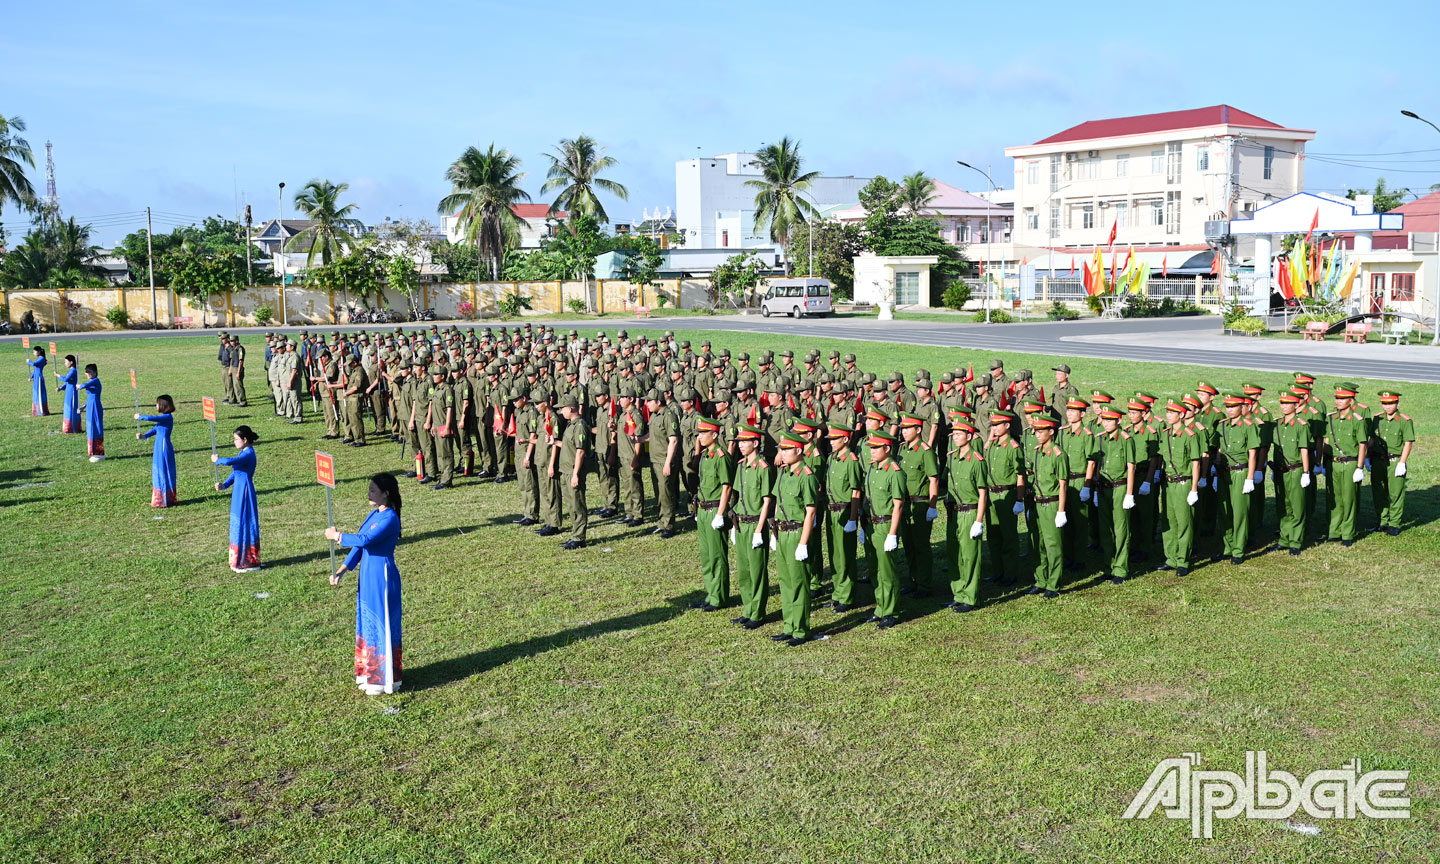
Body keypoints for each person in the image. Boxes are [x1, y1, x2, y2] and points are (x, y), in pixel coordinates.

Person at [326, 473, 403, 696]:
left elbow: (365, 540)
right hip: (367, 574)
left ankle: (382, 679)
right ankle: (369, 672)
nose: (368, 494)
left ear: (386, 493)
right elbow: (359, 548)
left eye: (373, 490)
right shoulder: (373, 514)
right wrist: (342, 570)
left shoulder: (390, 519)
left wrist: (337, 536)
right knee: (367, 620)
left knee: (381, 621)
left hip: (382, 576)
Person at [771, 431, 818, 646]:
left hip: (797, 532)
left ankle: (800, 629)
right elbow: (777, 504)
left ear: (798, 451)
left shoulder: (806, 475)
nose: (782, 453)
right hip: (782, 532)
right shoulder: (784, 473)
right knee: (786, 582)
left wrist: (803, 543)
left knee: (799, 583)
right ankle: (788, 626)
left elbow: (810, 511)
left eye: (786, 449)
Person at [943, 413, 990, 611]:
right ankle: (958, 592)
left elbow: (982, 493)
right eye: (954, 433)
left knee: (970, 556)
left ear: (969, 436)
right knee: (955, 554)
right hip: (954, 512)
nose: (955, 436)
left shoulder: (977, 461)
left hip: (970, 512)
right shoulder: (951, 458)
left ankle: (970, 597)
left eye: (959, 433)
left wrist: (979, 520)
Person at [862, 430, 907, 629]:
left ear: (887, 449)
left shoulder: (895, 471)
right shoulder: (873, 469)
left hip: (886, 524)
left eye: (876, 448)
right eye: (870, 448)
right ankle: (880, 607)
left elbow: (898, 505)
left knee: (887, 571)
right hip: (871, 524)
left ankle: (891, 611)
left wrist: (892, 533)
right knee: (875, 570)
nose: (871, 452)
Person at [730, 423, 773, 629]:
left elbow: (766, 501)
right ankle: (747, 609)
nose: (740, 445)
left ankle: (758, 612)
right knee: (744, 571)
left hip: (756, 523)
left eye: (745, 442)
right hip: (741, 524)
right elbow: (737, 497)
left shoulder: (763, 468)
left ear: (755, 443)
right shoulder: (740, 466)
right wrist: (733, 524)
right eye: (739, 442)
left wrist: (759, 530)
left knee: (757, 571)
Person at [691, 418, 734, 609]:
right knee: (706, 555)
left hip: (715, 509)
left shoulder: (721, 456)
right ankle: (710, 593)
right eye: (699, 433)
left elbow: (727, 487)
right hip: (703, 508)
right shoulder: (706, 455)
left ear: (714, 434)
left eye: (703, 433)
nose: (700, 436)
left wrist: (720, 513)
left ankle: (719, 597)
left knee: (717, 556)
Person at [1156, 399, 1202, 576]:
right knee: (1169, 521)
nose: (1168, 415)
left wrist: (1194, 489)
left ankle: (1183, 560)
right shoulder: (1166, 434)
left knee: (1184, 522)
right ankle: (1171, 558)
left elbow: (1196, 463)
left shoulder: (1190, 435)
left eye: (1171, 412)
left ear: (1181, 415)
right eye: (1167, 412)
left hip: (1184, 483)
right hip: (1168, 483)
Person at [1026, 414, 1069, 597]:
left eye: (1041, 431)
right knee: (1039, 543)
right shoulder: (1038, 452)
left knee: (1053, 546)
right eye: (1036, 431)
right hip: (1038, 503)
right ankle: (1041, 580)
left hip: (1051, 504)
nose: (1037, 434)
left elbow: (1063, 484)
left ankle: (1054, 583)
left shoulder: (1058, 454)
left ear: (1051, 432)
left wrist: (1061, 510)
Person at [1215, 394, 1260, 563]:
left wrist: (1250, 477)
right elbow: (1219, 449)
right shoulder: (1222, 426)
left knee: (1239, 512)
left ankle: (1239, 550)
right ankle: (1226, 547)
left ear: (1241, 407)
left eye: (1233, 406)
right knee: (1224, 510)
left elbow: (1253, 453)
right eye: (1227, 406)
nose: (1230, 410)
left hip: (1240, 472)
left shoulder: (1248, 426)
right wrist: (1216, 467)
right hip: (1223, 472)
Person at [823, 424, 863, 612]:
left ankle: (847, 595)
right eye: (830, 439)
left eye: (835, 439)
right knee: (835, 554)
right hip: (832, 512)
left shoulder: (851, 461)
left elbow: (856, 491)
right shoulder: (832, 458)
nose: (831, 442)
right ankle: (838, 593)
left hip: (845, 510)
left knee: (845, 554)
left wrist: (853, 518)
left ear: (845, 439)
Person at [1324, 383, 1369, 546]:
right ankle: (1334, 531)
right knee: (1334, 498)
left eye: (1342, 398)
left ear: (1351, 401)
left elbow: (1362, 444)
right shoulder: (1331, 418)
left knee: (1349, 498)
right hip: (1334, 463)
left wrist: (1360, 467)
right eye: (1337, 398)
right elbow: (1327, 440)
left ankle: (1347, 533)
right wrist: (1323, 462)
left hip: (1350, 463)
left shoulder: (1358, 420)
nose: (1338, 401)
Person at [213, 425, 261, 572]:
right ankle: (239, 558)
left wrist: (218, 459)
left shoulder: (249, 454)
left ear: (245, 440)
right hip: (238, 490)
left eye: (236, 439)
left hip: (245, 491)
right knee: (237, 521)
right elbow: (236, 472)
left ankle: (246, 560)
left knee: (244, 523)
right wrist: (225, 485)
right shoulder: (242, 453)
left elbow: (229, 462)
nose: (234, 442)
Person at [1369, 390, 1415, 537]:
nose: (1387, 406)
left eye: (1391, 403)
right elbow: (1371, 439)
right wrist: (1367, 457)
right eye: (1384, 403)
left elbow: (1408, 443)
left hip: (1395, 461)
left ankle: (1394, 524)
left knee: (1395, 494)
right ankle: (1382, 521)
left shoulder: (1404, 420)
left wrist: (1402, 462)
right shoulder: (1377, 419)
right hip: (1377, 460)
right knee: (1379, 492)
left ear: (1397, 403)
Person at [1273, 392, 1314, 555]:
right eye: (1282, 403)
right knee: (1283, 505)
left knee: (1297, 506)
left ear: (1296, 405)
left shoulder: (1301, 425)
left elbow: (1304, 450)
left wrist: (1305, 472)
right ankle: (1284, 538)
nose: (1283, 406)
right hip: (1280, 470)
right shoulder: (1277, 424)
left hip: (1295, 470)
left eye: (1287, 403)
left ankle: (1296, 541)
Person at [556, 394, 590, 550]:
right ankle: (575, 535)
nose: (561, 412)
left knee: (577, 504)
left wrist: (576, 473)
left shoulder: (580, 425)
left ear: (570, 408)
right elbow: (570, 446)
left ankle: (579, 538)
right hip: (566, 470)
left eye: (562, 408)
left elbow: (580, 451)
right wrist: (556, 442)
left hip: (573, 471)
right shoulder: (570, 425)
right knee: (571, 504)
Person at [136, 394, 178, 508]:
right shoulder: (163, 419)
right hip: (158, 446)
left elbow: (152, 418)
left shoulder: (167, 417)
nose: (156, 405)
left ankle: (166, 498)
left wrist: (141, 417)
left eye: (157, 403)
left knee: (164, 469)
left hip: (164, 447)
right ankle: (160, 497)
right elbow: (155, 429)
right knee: (159, 469)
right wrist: (144, 436)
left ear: (163, 405)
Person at [80, 363, 104, 461]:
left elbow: (84, 385)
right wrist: (83, 407)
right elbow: (89, 396)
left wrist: (79, 385)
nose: (88, 374)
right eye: (86, 372)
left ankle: (99, 453)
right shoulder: (92, 381)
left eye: (90, 372)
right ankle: (93, 452)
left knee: (96, 428)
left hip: (95, 406)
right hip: (90, 406)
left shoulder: (96, 381)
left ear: (95, 372)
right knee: (90, 427)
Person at [55, 354, 82, 433]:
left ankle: (72, 427)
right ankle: (68, 427)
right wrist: (61, 388)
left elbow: (66, 379)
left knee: (71, 408)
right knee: (68, 408)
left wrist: (58, 375)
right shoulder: (71, 370)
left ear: (71, 362)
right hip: (68, 392)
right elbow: (68, 382)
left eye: (66, 362)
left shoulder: (73, 370)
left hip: (72, 392)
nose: (65, 363)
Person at [28, 345, 49, 416]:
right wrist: (31, 376)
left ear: (39, 352)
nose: (33, 353)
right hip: (36, 377)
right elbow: (35, 369)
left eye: (34, 351)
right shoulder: (39, 358)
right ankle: (36, 409)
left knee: (39, 392)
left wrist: (29, 362)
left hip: (39, 378)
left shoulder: (42, 359)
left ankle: (42, 409)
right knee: (36, 392)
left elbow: (35, 364)